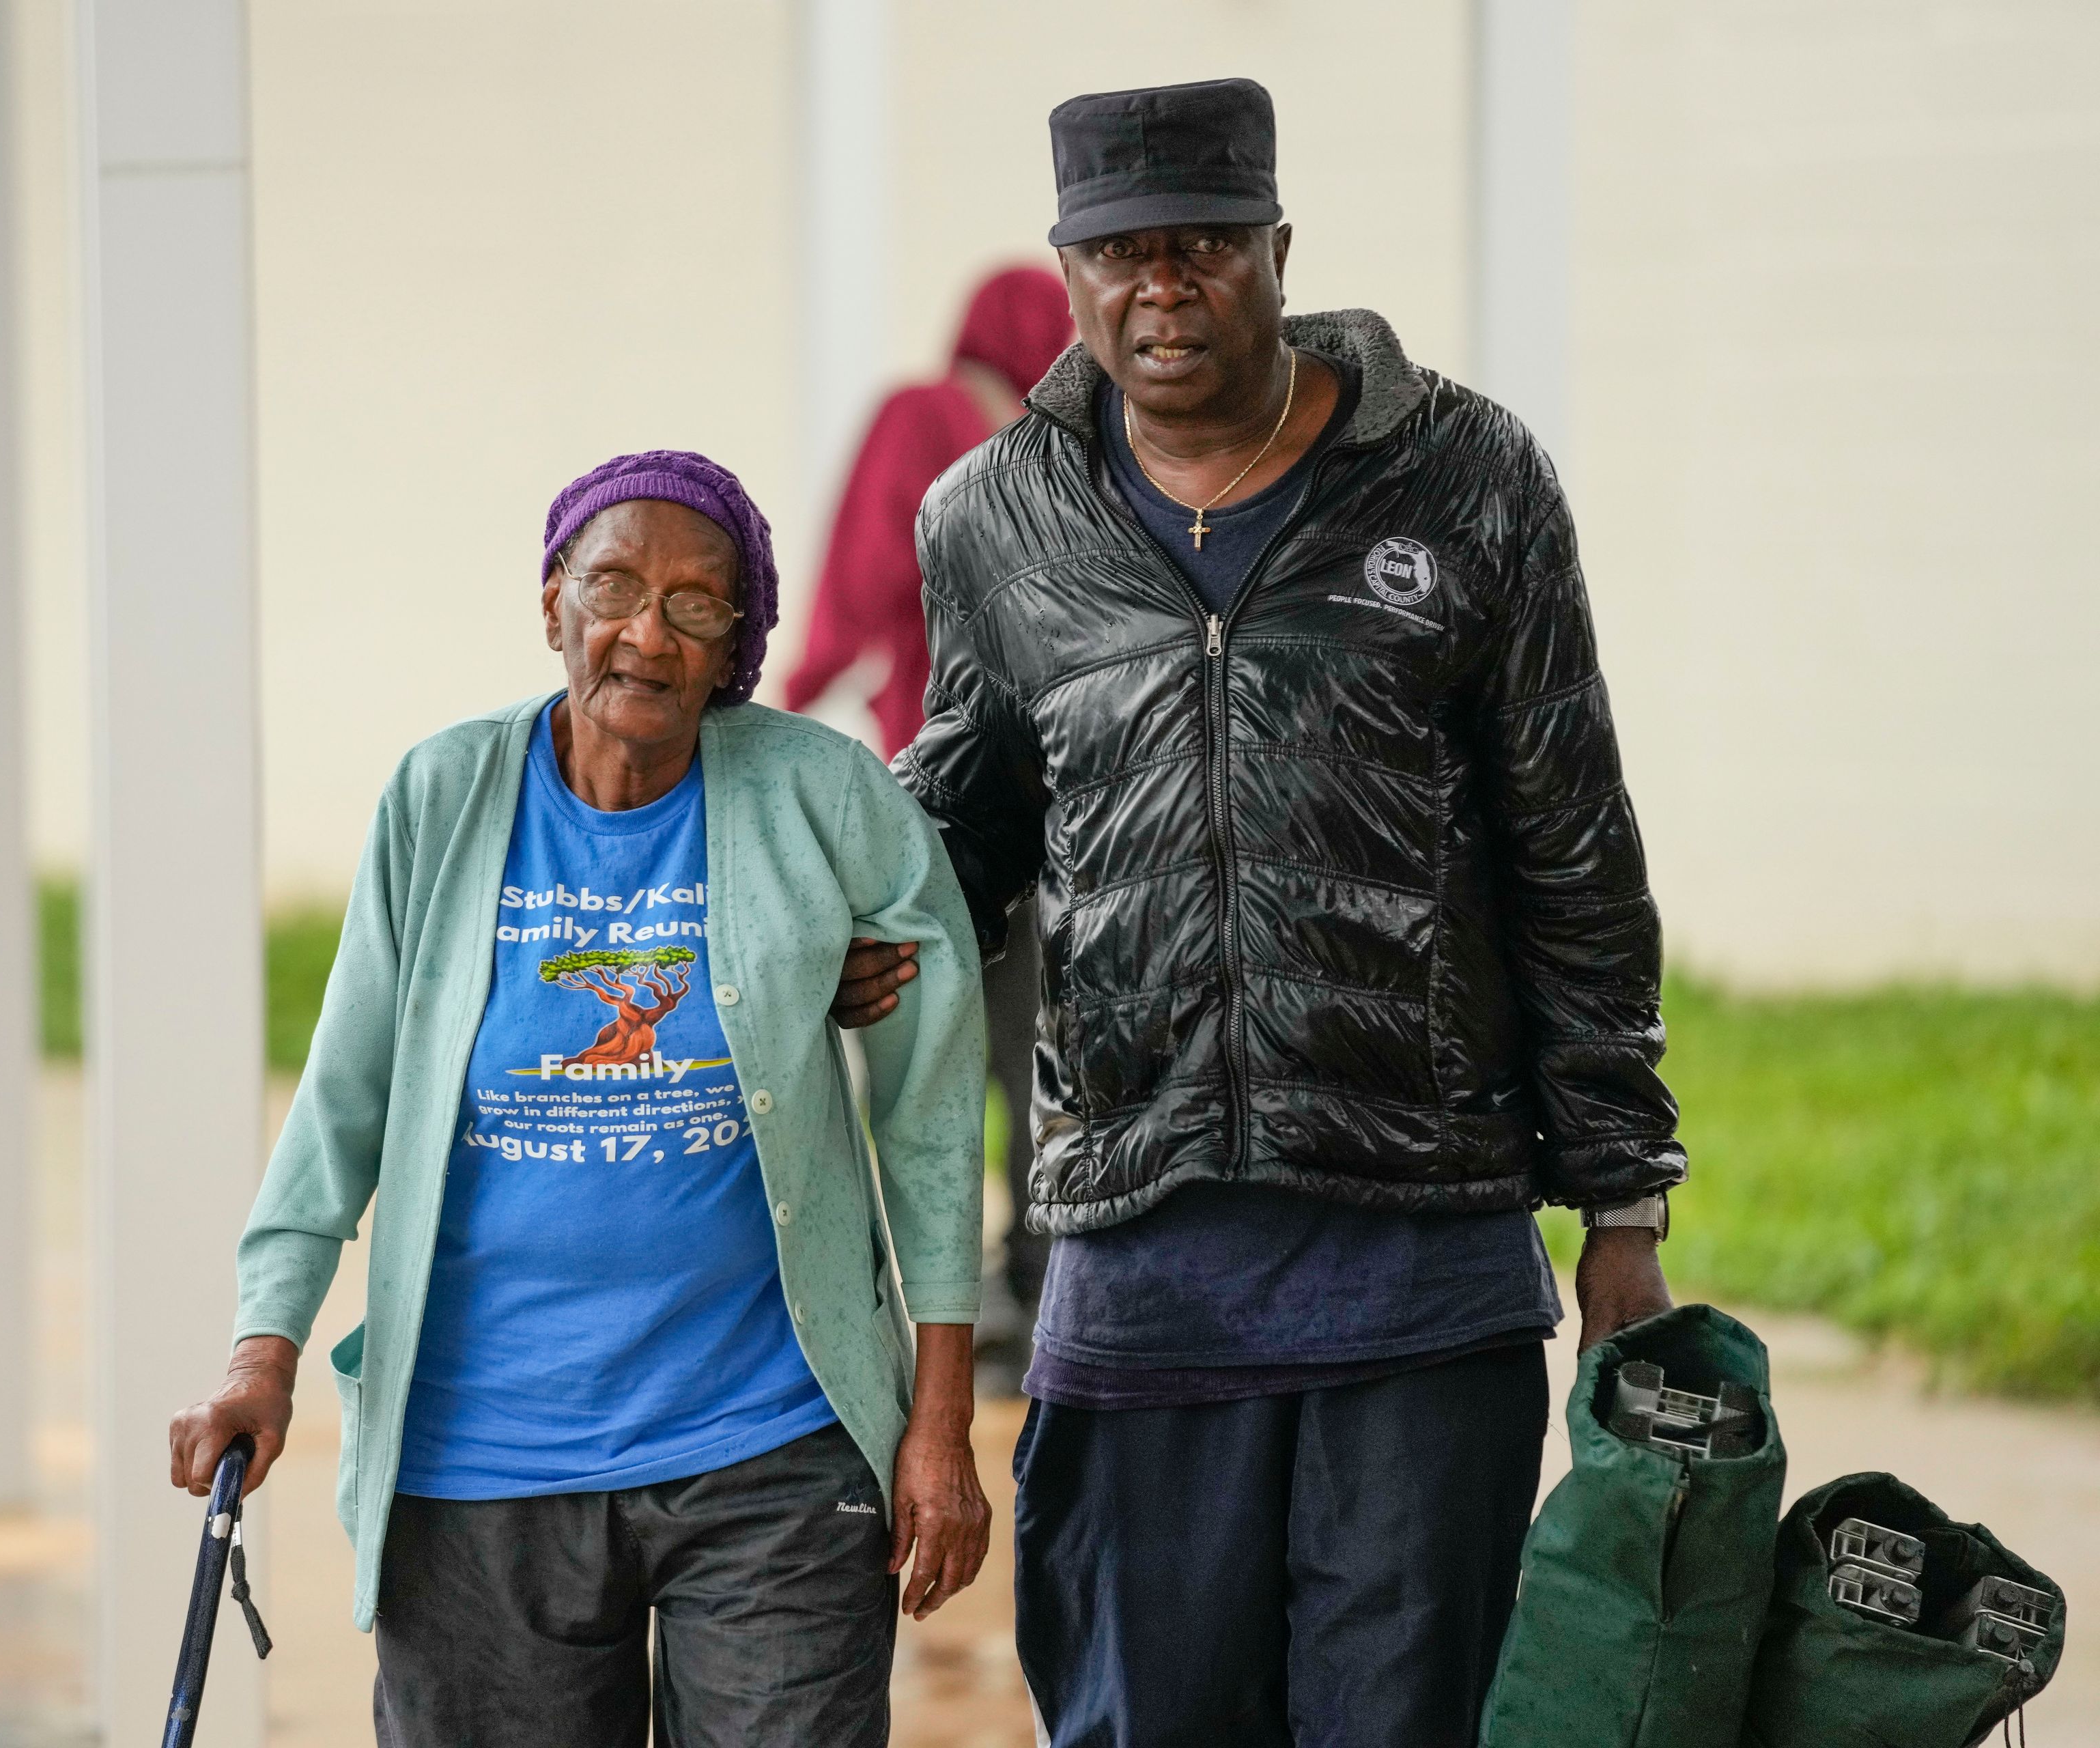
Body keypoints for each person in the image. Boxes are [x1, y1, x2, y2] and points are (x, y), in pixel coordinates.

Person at [834, 79, 1686, 1745]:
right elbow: (967, 809)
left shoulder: (1467, 476)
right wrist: (838, 918)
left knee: (1403, 1720)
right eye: (1120, 253)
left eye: (1205, 247)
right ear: (1071, 273)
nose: (1164, 288)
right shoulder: (994, 518)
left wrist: (1626, 1204)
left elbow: (1573, 846)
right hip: (1139, 1259)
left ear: (1279, 251)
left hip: (1421, 1258)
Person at [169, 451, 993, 1747]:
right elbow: (344, 1101)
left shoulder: (824, 802)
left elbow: (934, 1127)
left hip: (770, 1448)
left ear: (738, 644)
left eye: (696, 604)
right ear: (552, 602)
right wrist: (259, 1353)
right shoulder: (441, 798)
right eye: (612, 587)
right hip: (482, 1465)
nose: (646, 635)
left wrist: (938, 1429)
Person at [783, 264, 1075, 1394]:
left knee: (937, 1037)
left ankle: (950, 1294)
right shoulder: (1055, 448)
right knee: (1037, 1040)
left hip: (944, 789)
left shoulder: (923, 418)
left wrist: (792, 687)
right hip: (1066, 793)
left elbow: (860, 575)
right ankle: (1038, 1274)